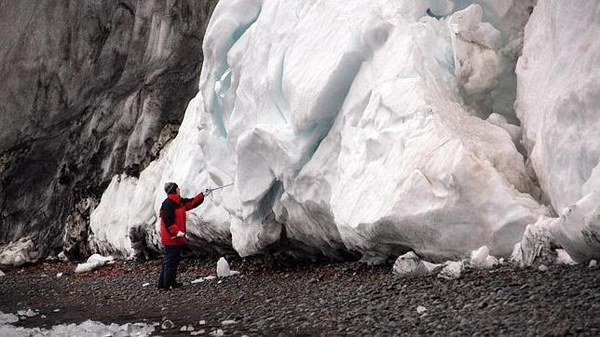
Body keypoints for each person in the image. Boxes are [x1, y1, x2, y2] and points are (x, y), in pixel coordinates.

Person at [158, 182, 210, 290]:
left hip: (175, 237)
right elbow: (168, 222)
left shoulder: (178, 202)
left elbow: (191, 203)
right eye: (177, 188)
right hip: (171, 238)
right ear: (174, 190)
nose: (179, 189)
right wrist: (176, 232)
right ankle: (167, 285)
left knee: (171, 260)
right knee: (171, 260)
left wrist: (202, 195)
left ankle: (165, 283)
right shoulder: (168, 204)